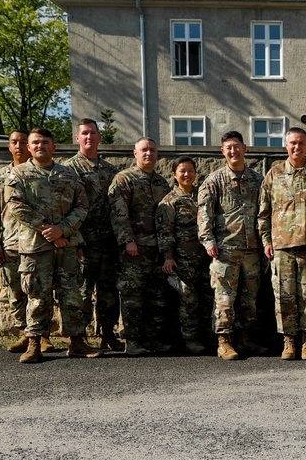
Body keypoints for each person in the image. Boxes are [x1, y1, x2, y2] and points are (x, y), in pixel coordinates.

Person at [4, 127, 101, 363]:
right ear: (29, 147)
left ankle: (77, 342)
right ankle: (35, 343)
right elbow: (16, 205)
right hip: (35, 246)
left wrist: (63, 230)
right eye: (35, 143)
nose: (40, 146)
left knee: (72, 294)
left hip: (66, 245)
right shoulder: (18, 175)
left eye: (45, 142)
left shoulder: (68, 174)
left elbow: (82, 206)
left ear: (53, 147)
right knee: (37, 295)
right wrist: (48, 230)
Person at [198, 130, 265, 360]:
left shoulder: (258, 180)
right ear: (222, 151)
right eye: (229, 147)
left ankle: (246, 340)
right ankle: (224, 342)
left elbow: (266, 213)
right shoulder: (214, 181)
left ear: (244, 148)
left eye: (237, 146)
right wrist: (208, 241)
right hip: (225, 250)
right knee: (224, 299)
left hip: (252, 250)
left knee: (250, 300)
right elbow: (204, 214)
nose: (233, 151)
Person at [258, 127, 306, 361]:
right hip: (281, 246)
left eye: (301, 143)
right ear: (286, 145)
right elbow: (263, 212)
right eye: (293, 143)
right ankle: (289, 341)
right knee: (284, 297)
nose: (297, 147)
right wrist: (266, 240)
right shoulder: (274, 174)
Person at [109, 137, 172, 355]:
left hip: (156, 249)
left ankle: (152, 339)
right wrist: (128, 241)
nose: (148, 154)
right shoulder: (124, 179)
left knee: (157, 297)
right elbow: (119, 214)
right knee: (132, 296)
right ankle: (132, 341)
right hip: (134, 250)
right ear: (135, 153)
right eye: (144, 150)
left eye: (152, 150)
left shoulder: (162, 183)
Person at [64, 118, 122, 350]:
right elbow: (65, 206)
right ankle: (78, 338)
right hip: (83, 241)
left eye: (93, 133)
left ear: (99, 137)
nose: (89, 137)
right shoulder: (68, 169)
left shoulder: (110, 170)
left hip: (107, 241)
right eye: (84, 133)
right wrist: (72, 239)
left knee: (109, 291)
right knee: (82, 292)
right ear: (77, 138)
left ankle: (108, 334)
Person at [0, 129, 34, 352]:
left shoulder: (40, 174)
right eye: (15, 142)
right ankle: (24, 332)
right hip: (12, 243)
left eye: (24, 142)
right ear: (9, 147)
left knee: (39, 291)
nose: (19, 146)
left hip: (36, 243)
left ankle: (41, 335)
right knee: (16, 292)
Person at [156, 156, 208, 354]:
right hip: (182, 260)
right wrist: (168, 256)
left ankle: (208, 337)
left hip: (205, 256)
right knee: (189, 300)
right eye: (182, 171)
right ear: (174, 175)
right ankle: (190, 339)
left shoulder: (202, 196)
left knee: (207, 298)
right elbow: (164, 231)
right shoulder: (170, 201)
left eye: (190, 171)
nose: (187, 175)